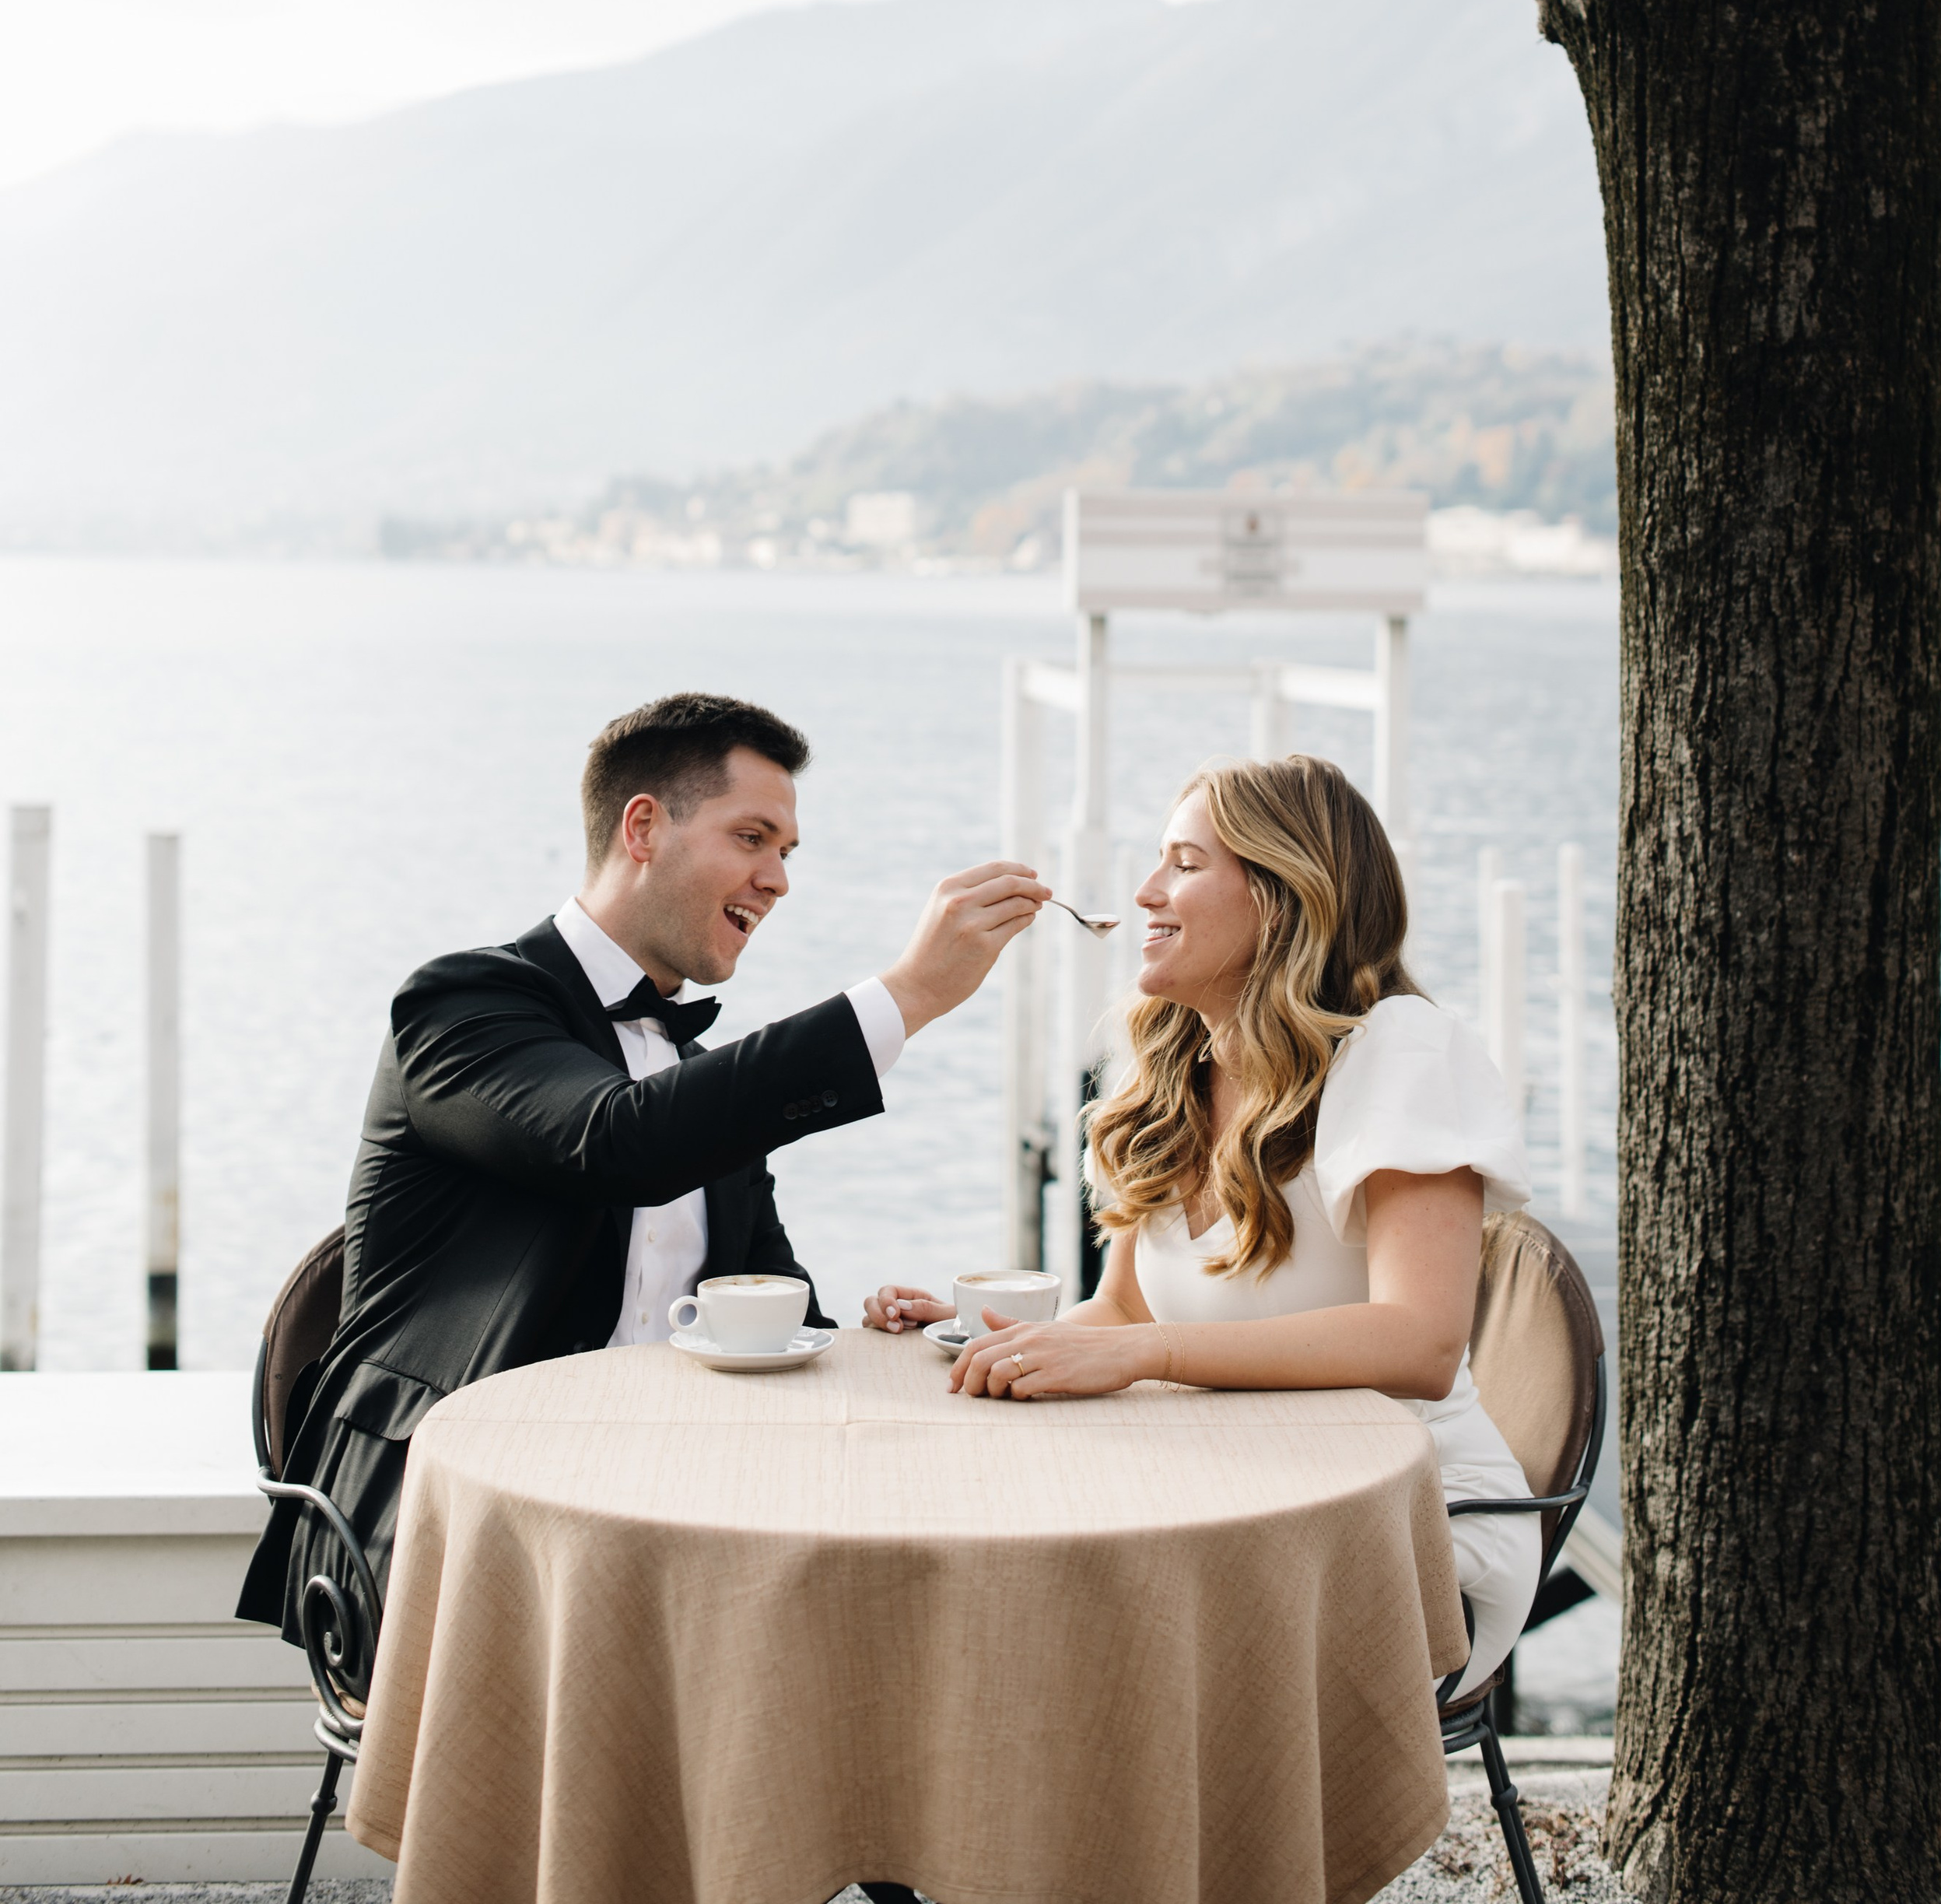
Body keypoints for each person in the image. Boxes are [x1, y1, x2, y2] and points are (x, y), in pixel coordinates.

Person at [240, 688, 1046, 1646]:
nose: (778, 879)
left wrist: (875, 1331)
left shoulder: (699, 1087)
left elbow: (770, 1300)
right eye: (753, 836)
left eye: (787, 852)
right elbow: (615, 1140)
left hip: (667, 1525)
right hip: (442, 1534)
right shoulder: (460, 1005)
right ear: (643, 826)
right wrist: (905, 995)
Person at [865, 754, 1537, 1700]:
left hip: (1407, 1539)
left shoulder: (1400, 1050)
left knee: (1059, 1650)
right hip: (1236, 1506)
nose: (1145, 891)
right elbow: (1126, 1310)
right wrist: (1003, 1341)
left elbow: (1421, 1341)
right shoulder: (1174, 1069)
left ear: (1282, 891)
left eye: (1182, 862)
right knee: (970, 1595)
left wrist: (1150, 1352)